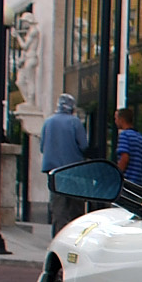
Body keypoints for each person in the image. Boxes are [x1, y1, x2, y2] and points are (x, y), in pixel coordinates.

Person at [41, 93, 91, 233]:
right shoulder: (75, 122)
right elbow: (84, 145)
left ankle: (58, 233)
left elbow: (42, 146)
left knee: (58, 207)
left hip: (54, 170)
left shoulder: (48, 122)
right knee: (75, 207)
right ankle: (74, 235)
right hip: (73, 169)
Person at [114, 108, 142, 187]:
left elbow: (124, 158)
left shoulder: (124, 135)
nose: (115, 121)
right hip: (138, 183)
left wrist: (116, 175)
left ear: (122, 120)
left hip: (127, 181)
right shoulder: (141, 138)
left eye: (116, 119)